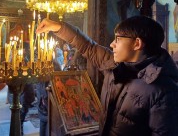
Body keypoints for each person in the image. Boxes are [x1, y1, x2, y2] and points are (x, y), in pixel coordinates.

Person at [36, 16, 178, 136]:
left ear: (137, 43)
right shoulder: (114, 64)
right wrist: (59, 27)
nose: (112, 44)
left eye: (118, 39)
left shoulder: (163, 89)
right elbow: (88, 47)